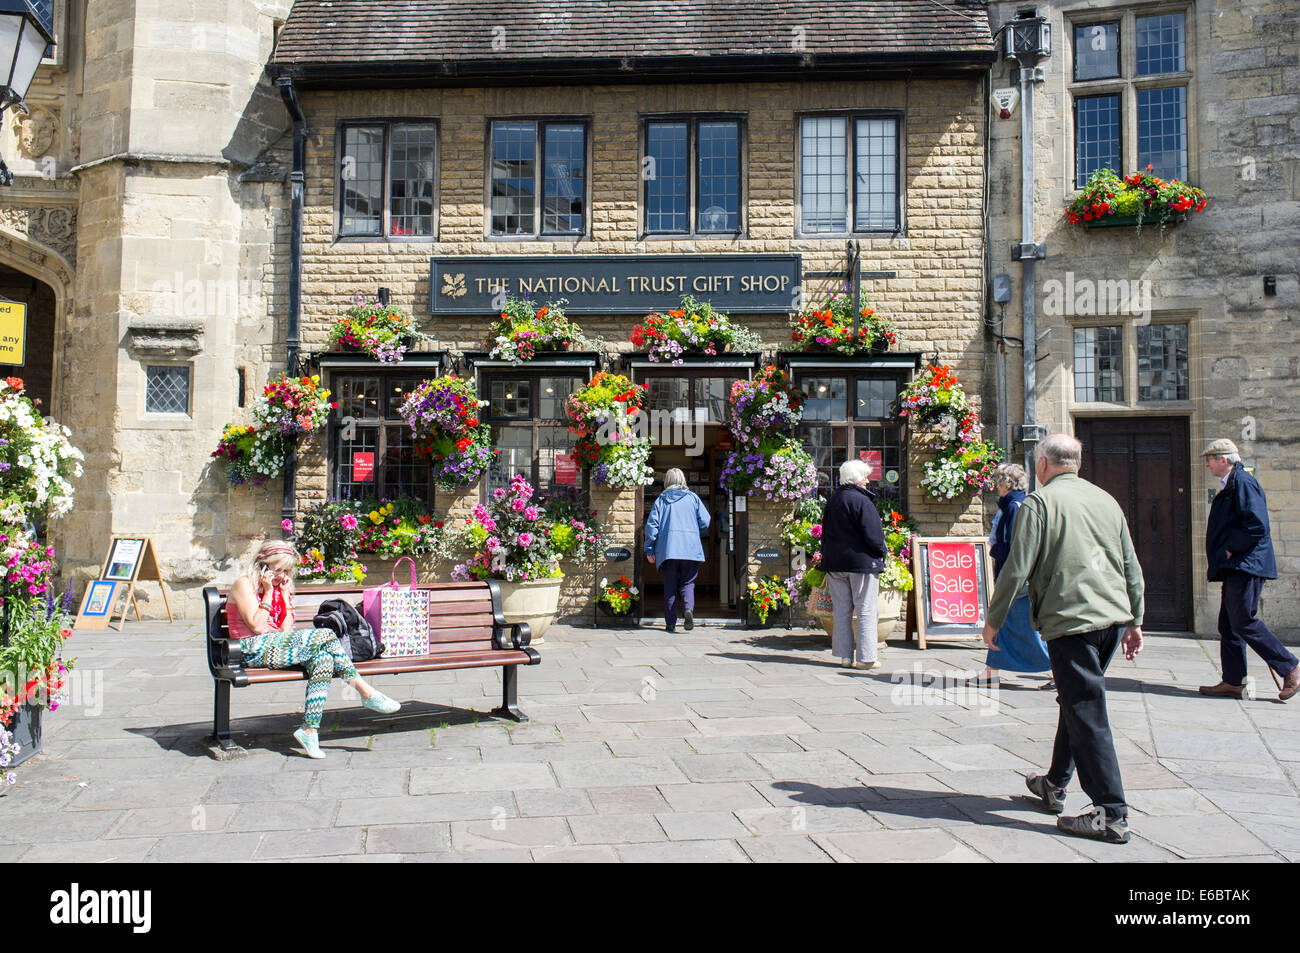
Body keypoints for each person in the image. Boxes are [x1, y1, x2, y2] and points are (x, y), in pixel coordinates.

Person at [983, 433, 1144, 845]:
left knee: (1086, 709)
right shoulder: (1106, 500)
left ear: (1042, 464)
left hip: (1072, 620)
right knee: (1075, 700)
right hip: (1111, 618)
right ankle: (1054, 784)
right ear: (1078, 462)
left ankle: (1110, 812)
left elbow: (1017, 567)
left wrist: (993, 619)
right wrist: (1136, 619)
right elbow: (1129, 561)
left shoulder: (1040, 503)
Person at [229, 540, 401, 759]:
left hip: (274, 646)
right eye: (278, 569)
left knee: (323, 660)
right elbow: (256, 626)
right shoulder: (244, 584)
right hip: (248, 649)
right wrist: (267, 594)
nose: (282, 575)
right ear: (262, 565)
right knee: (327, 634)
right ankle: (366, 691)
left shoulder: (278, 588)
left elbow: (285, 630)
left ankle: (309, 730)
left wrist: (282, 595)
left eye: (287, 570)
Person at [1199, 439, 1299, 700]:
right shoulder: (1232, 483)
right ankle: (1233, 681)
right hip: (1237, 565)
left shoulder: (1243, 482)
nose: (1207, 464)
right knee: (1229, 623)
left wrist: (1232, 547)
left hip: (1246, 564)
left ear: (1224, 459)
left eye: (1209, 459)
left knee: (1243, 619)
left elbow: (1257, 524)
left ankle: (1290, 667)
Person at [969, 463, 1052, 688]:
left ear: (1007, 483)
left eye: (998, 481)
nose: (996, 485)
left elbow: (1018, 545)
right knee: (1004, 622)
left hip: (1014, 576)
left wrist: (996, 551)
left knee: (1023, 625)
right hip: (1008, 572)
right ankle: (990, 671)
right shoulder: (1009, 505)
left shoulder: (1015, 506)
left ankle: (1057, 668)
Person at [820, 458, 887, 670]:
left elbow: (825, 533)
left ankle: (844, 656)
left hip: (835, 563)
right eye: (865, 477)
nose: (867, 481)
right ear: (856, 479)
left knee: (841, 610)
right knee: (866, 609)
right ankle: (866, 658)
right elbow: (874, 535)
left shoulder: (833, 500)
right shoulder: (862, 501)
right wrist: (881, 552)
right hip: (861, 563)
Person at [644, 468, 710, 633]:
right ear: (683, 480)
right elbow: (706, 521)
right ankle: (688, 609)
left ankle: (671, 623)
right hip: (690, 548)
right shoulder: (693, 498)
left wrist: (649, 549)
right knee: (688, 583)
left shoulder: (661, 500)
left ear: (667, 481)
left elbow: (652, 526)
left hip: (668, 550)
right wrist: (694, 528)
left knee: (670, 586)